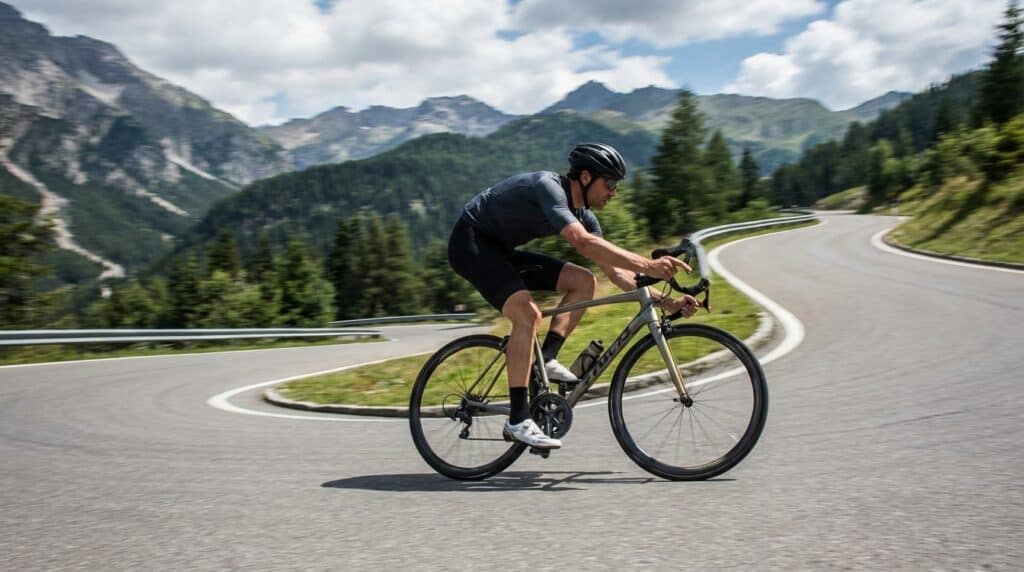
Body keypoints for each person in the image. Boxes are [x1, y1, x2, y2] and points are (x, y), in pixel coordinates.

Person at [447, 143, 700, 449]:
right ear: (584, 177)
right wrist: (648, 264)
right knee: (527, 315)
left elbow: (618, 273)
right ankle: (517, 419)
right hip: (470, 243)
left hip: (500, 251)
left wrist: (667, 301)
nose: (614, 192)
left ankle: (549, 356)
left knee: (584, 281)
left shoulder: (586, 215)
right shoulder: (548, 187)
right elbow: (582, 243)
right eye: (610, 183)